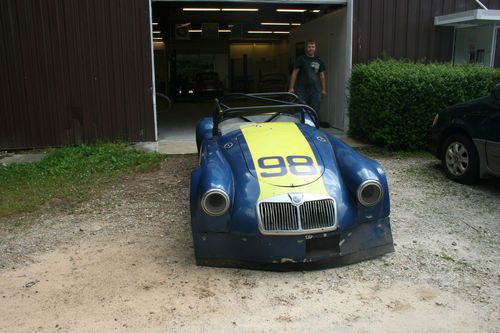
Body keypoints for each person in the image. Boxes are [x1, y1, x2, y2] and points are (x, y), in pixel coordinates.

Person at [288, 40, 326, 113]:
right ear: (306, 48)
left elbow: (322, 75)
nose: (311, 48)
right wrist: (291, 87)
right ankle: (302, 124)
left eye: (313, 47)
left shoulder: (319, 60)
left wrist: (324, 89)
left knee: (314, 111)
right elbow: (294, 73)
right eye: (309, 47)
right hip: (302, 91)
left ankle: (313, 124)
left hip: (316, 91)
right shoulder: (301, 59)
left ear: (315, 48)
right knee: (301, 110)